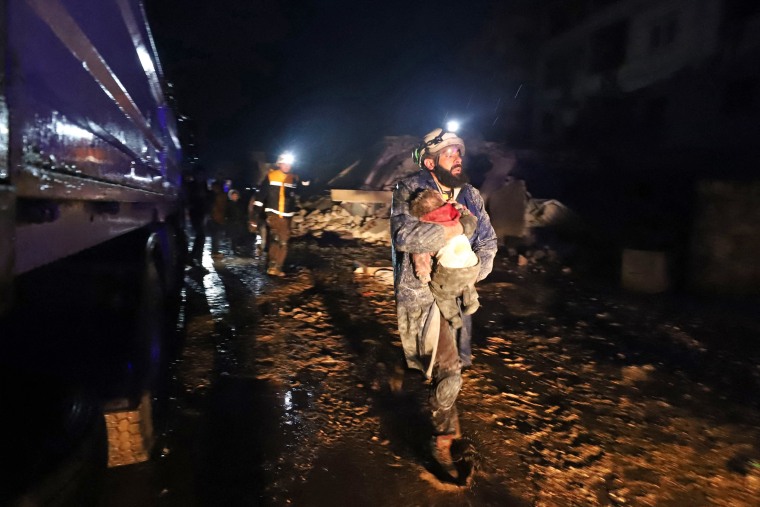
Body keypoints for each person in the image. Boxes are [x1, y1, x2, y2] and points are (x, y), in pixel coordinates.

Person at [390, 127, 497, 482]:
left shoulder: (471, 195)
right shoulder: (409, 189)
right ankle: (444, 441)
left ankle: (425, 387)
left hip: (457, 293)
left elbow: (488, 242)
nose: (458, 158)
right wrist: (453, 231)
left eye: (460, 152)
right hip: (421, 295)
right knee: (448, 369)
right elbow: (403, 235)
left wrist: (471, 271)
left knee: (450, 364)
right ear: (431, 160)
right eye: (450, 152)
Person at [409, 188, 480, 329]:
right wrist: (456, 205)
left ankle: (453, 317)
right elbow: (471, 218)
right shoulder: (455, 213)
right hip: (473, 265)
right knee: (468, 283)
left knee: (441, 294)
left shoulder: (427, 228)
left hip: (449, 273)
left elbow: (420, 252)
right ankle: (472, 300)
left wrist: (423, 274)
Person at [250, 152, 308, 276]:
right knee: (280, 240)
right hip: (274, 214)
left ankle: (274, 266)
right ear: (279, 164)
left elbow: (303, 191)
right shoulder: (271, 176)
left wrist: (305, 178)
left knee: (279, 240)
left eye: (289, 164)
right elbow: (261, 197)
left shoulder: (294, 178)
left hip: (287, 215)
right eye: (285, 163)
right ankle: (275, 267)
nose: (287, 166)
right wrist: (255, 214)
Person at [226, 188, 249, 255]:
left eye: (236, 195)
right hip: (232, 223)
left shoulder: (240, 203)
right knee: (233, 237)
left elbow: (243, 212)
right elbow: (227, 213)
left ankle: (238, 248)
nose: (235, 197)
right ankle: (234, 249)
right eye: (233, 196)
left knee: (239, 235)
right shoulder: (229, 204)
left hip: (239, 222)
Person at [208, 180, 227, 258]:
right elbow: (219, 207)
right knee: (216, 236)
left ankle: (215, 251)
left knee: (216, 236)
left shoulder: (215, 195)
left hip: (217, 217)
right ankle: (215, 252)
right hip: (216, 218)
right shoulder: (217, 195)